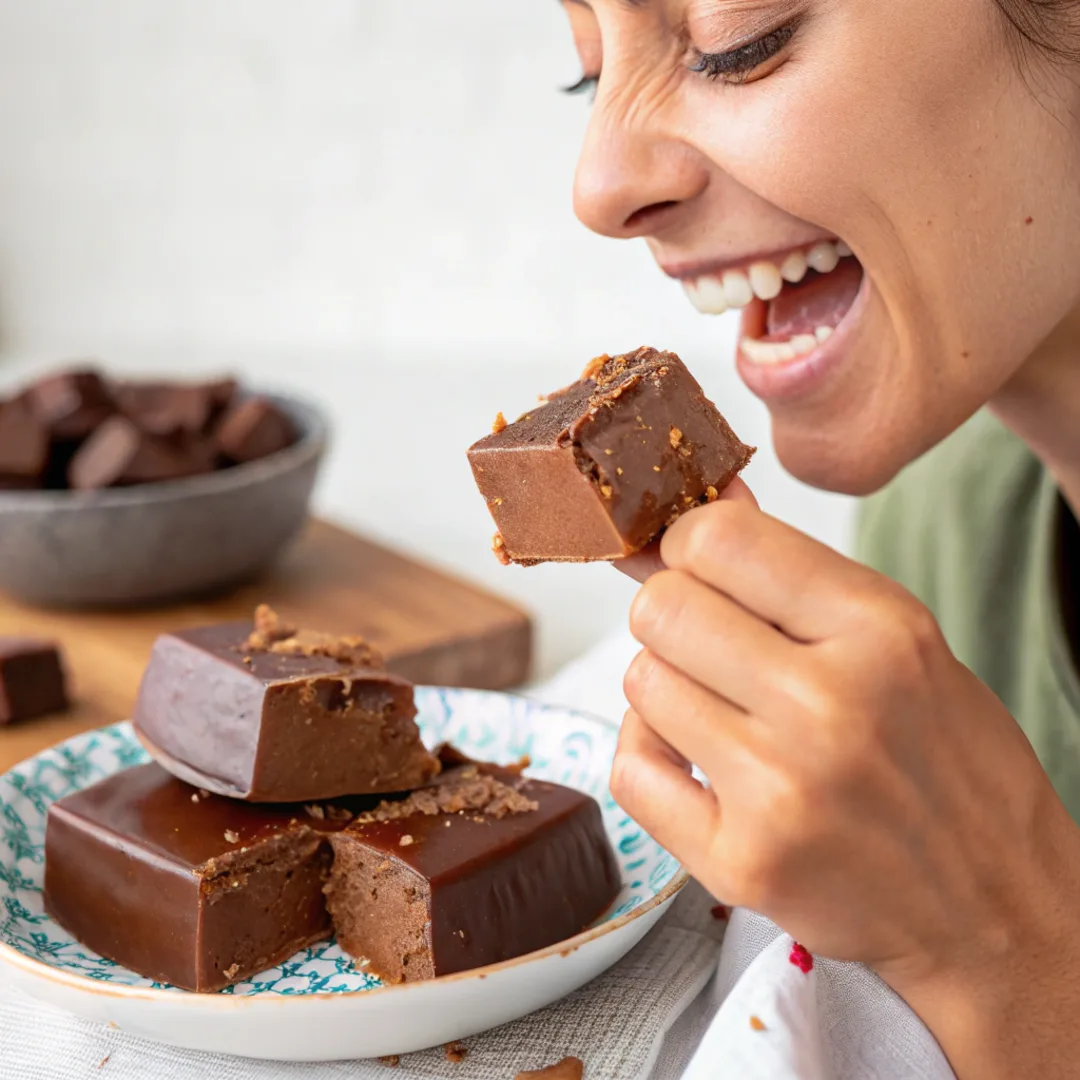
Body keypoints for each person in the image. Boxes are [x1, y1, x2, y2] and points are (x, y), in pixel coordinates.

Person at [556, 0, 1080, 1075]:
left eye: (734, 38)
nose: (599, 186)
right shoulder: (941, 524)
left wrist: (1003, 949)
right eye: (589, 70)